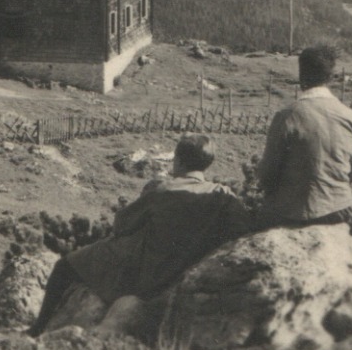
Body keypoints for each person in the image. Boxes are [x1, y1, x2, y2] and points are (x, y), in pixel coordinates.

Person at [29, 135, 249, 336]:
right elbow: (242, 227)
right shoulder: (223, 195)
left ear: (178, 160)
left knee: (64, 267)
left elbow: (122, 224)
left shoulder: (164, 189)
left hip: (144, 271)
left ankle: (38, 328)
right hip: (181, 271)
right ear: (207, 164)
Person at [255, 45, 352, 229]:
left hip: (295, 214)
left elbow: (267, 175)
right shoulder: (350, 116)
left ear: (301, 76)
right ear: (331, 77)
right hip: (340, 210)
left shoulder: (287, 116)